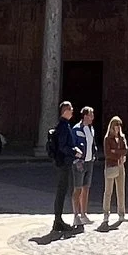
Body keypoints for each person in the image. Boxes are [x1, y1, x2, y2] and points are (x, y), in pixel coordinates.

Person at [47, 100, 81, 233]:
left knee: (62, 190)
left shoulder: (64, 125)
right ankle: (58, 221)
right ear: (64, 111)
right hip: (63, 163)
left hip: (63, 162)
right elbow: (62, 146)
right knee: (61, 191)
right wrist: (75, 152)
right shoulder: (63, 126)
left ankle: (58, 220)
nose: (72, 111)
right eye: (70, 109)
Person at [100, 115, 128, 228]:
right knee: (108, 191)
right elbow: (108, 153)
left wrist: (116, 152)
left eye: (119, 125)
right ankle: (106, 214)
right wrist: (119, 154)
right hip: (111, 166)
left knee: (121, 190)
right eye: (115, 125)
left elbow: (126, 150)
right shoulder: (107, 139)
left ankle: (121, 213)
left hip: (121, 166)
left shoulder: (122, 137)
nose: (117, 128)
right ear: (111, 126)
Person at [72, 105, 98, 228]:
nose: (93, 117)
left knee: (86, 188)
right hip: (79, 162)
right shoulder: (76, 129)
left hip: (89, 161)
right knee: (77, 188)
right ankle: (76, 215)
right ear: (85, 116)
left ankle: (84, 213)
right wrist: (76, 152)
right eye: (91, 115)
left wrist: (94, 154)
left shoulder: (91, 129)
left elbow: (92, 144)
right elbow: (72, 144)